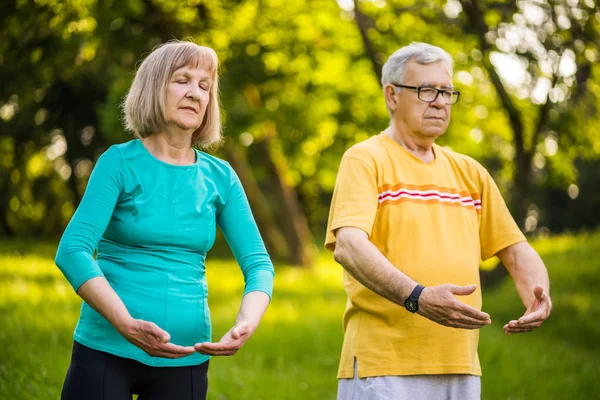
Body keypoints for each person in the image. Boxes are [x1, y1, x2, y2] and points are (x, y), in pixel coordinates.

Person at [325, 42, 552, 400]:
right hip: (384, 367)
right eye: (427, 90)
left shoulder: (469, 172)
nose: (441, 101)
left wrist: (539, 296)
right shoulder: (366, 159)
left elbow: (516, 250)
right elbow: (350, 247)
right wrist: (418, 297)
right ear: (392, 95)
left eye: (446, 91)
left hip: (460, 366)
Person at [55, 40, 274, 400]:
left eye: (204, 86)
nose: (195, 93)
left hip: (187, 356)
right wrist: (126, 324)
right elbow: (73, 250)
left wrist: (247, 321)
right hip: (106, 349)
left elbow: (259, 265)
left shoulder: (221, 177)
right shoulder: (118, 163)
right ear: (154, 88)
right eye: (182, 80)